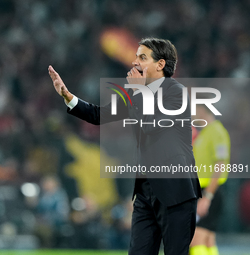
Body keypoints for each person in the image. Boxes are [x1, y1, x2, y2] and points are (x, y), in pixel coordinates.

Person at [48, 37, 202, 255]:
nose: (134, 62)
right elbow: (99, 114)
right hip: (146, 190)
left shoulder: (176, 93)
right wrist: (68, 96)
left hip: (175, 190)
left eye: (142, 57)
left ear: (160, 64)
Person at [190, 104, 230, 255]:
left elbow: (220, 163)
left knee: (196, 238)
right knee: (208, 239)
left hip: (209, 190)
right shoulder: (206, 133)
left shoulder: (216, 132)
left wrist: (207, 196)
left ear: (202, 110)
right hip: (204, 190)